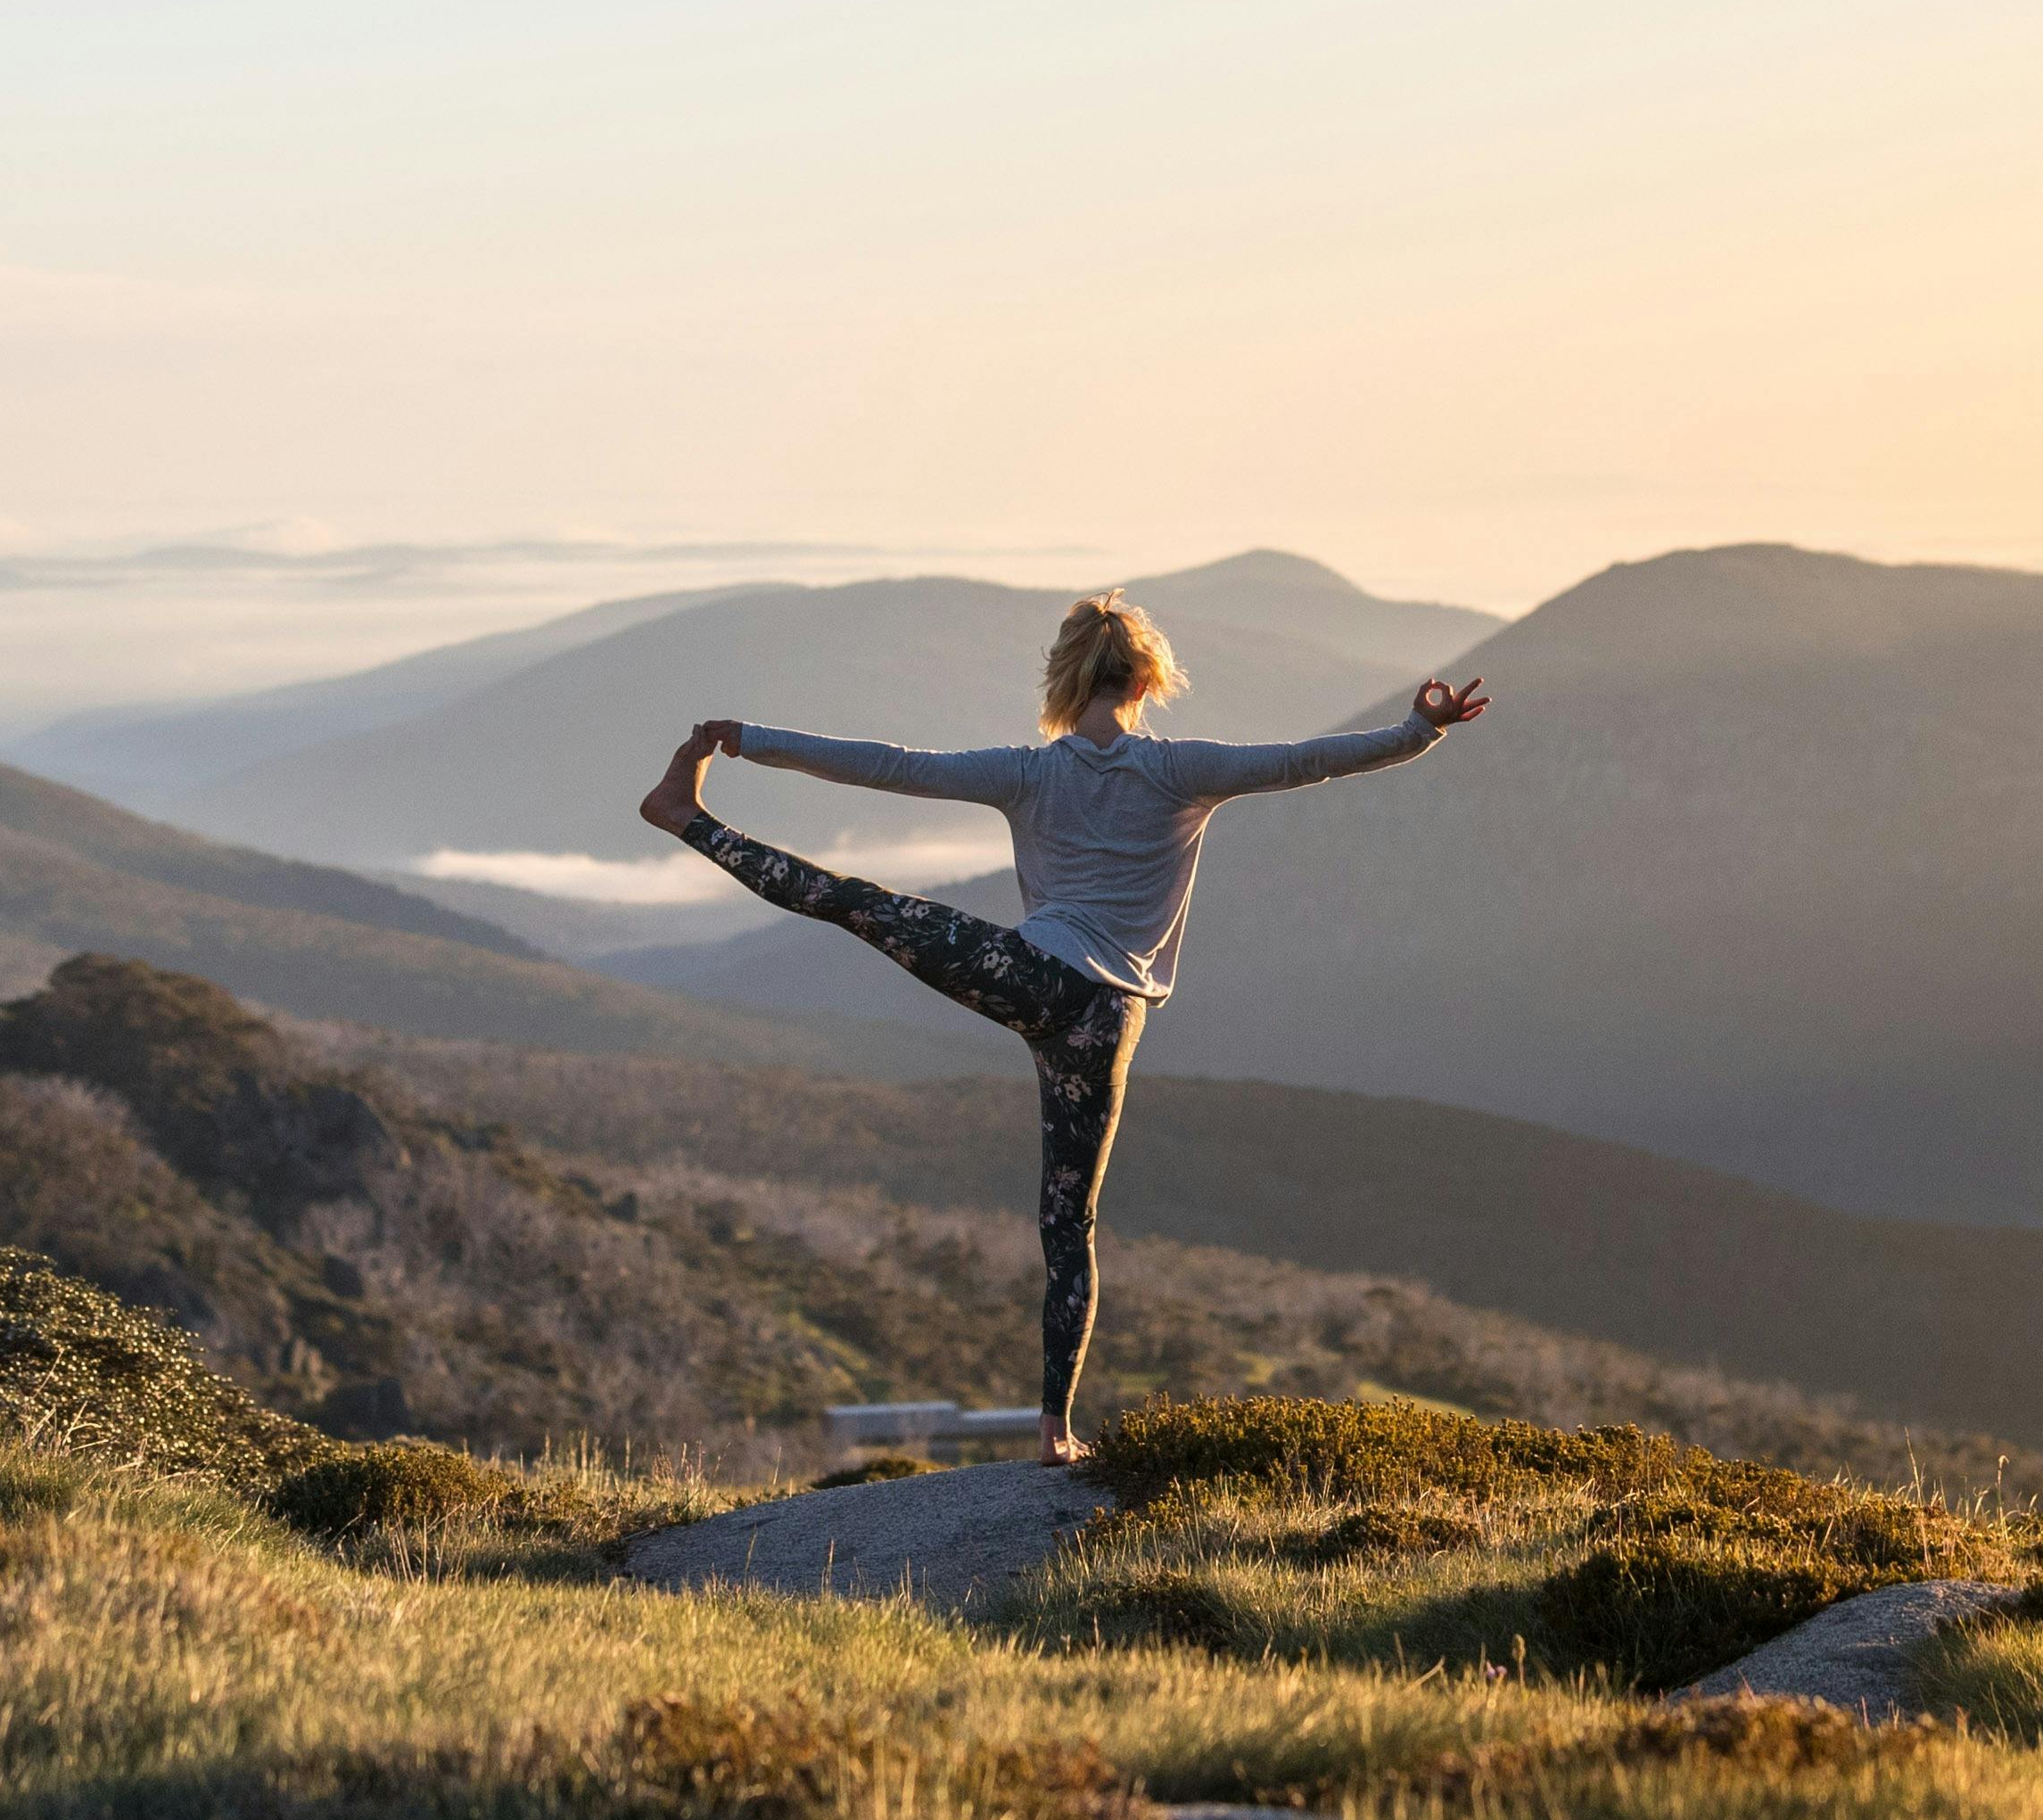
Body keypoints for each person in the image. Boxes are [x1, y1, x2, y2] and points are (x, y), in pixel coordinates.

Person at [637, 589, 1489, 1465]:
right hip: (1109, 1022)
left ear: (1064, 675)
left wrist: (748, 738)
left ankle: (685, 819)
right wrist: (1419, 731)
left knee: (862, 905)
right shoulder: (1181, 768)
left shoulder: (1029, 769)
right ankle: (1056, 1430)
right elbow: (1306, 760)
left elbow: (886, 766)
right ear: (1147, 676)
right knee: (1068, 1223)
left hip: (1035, 981)